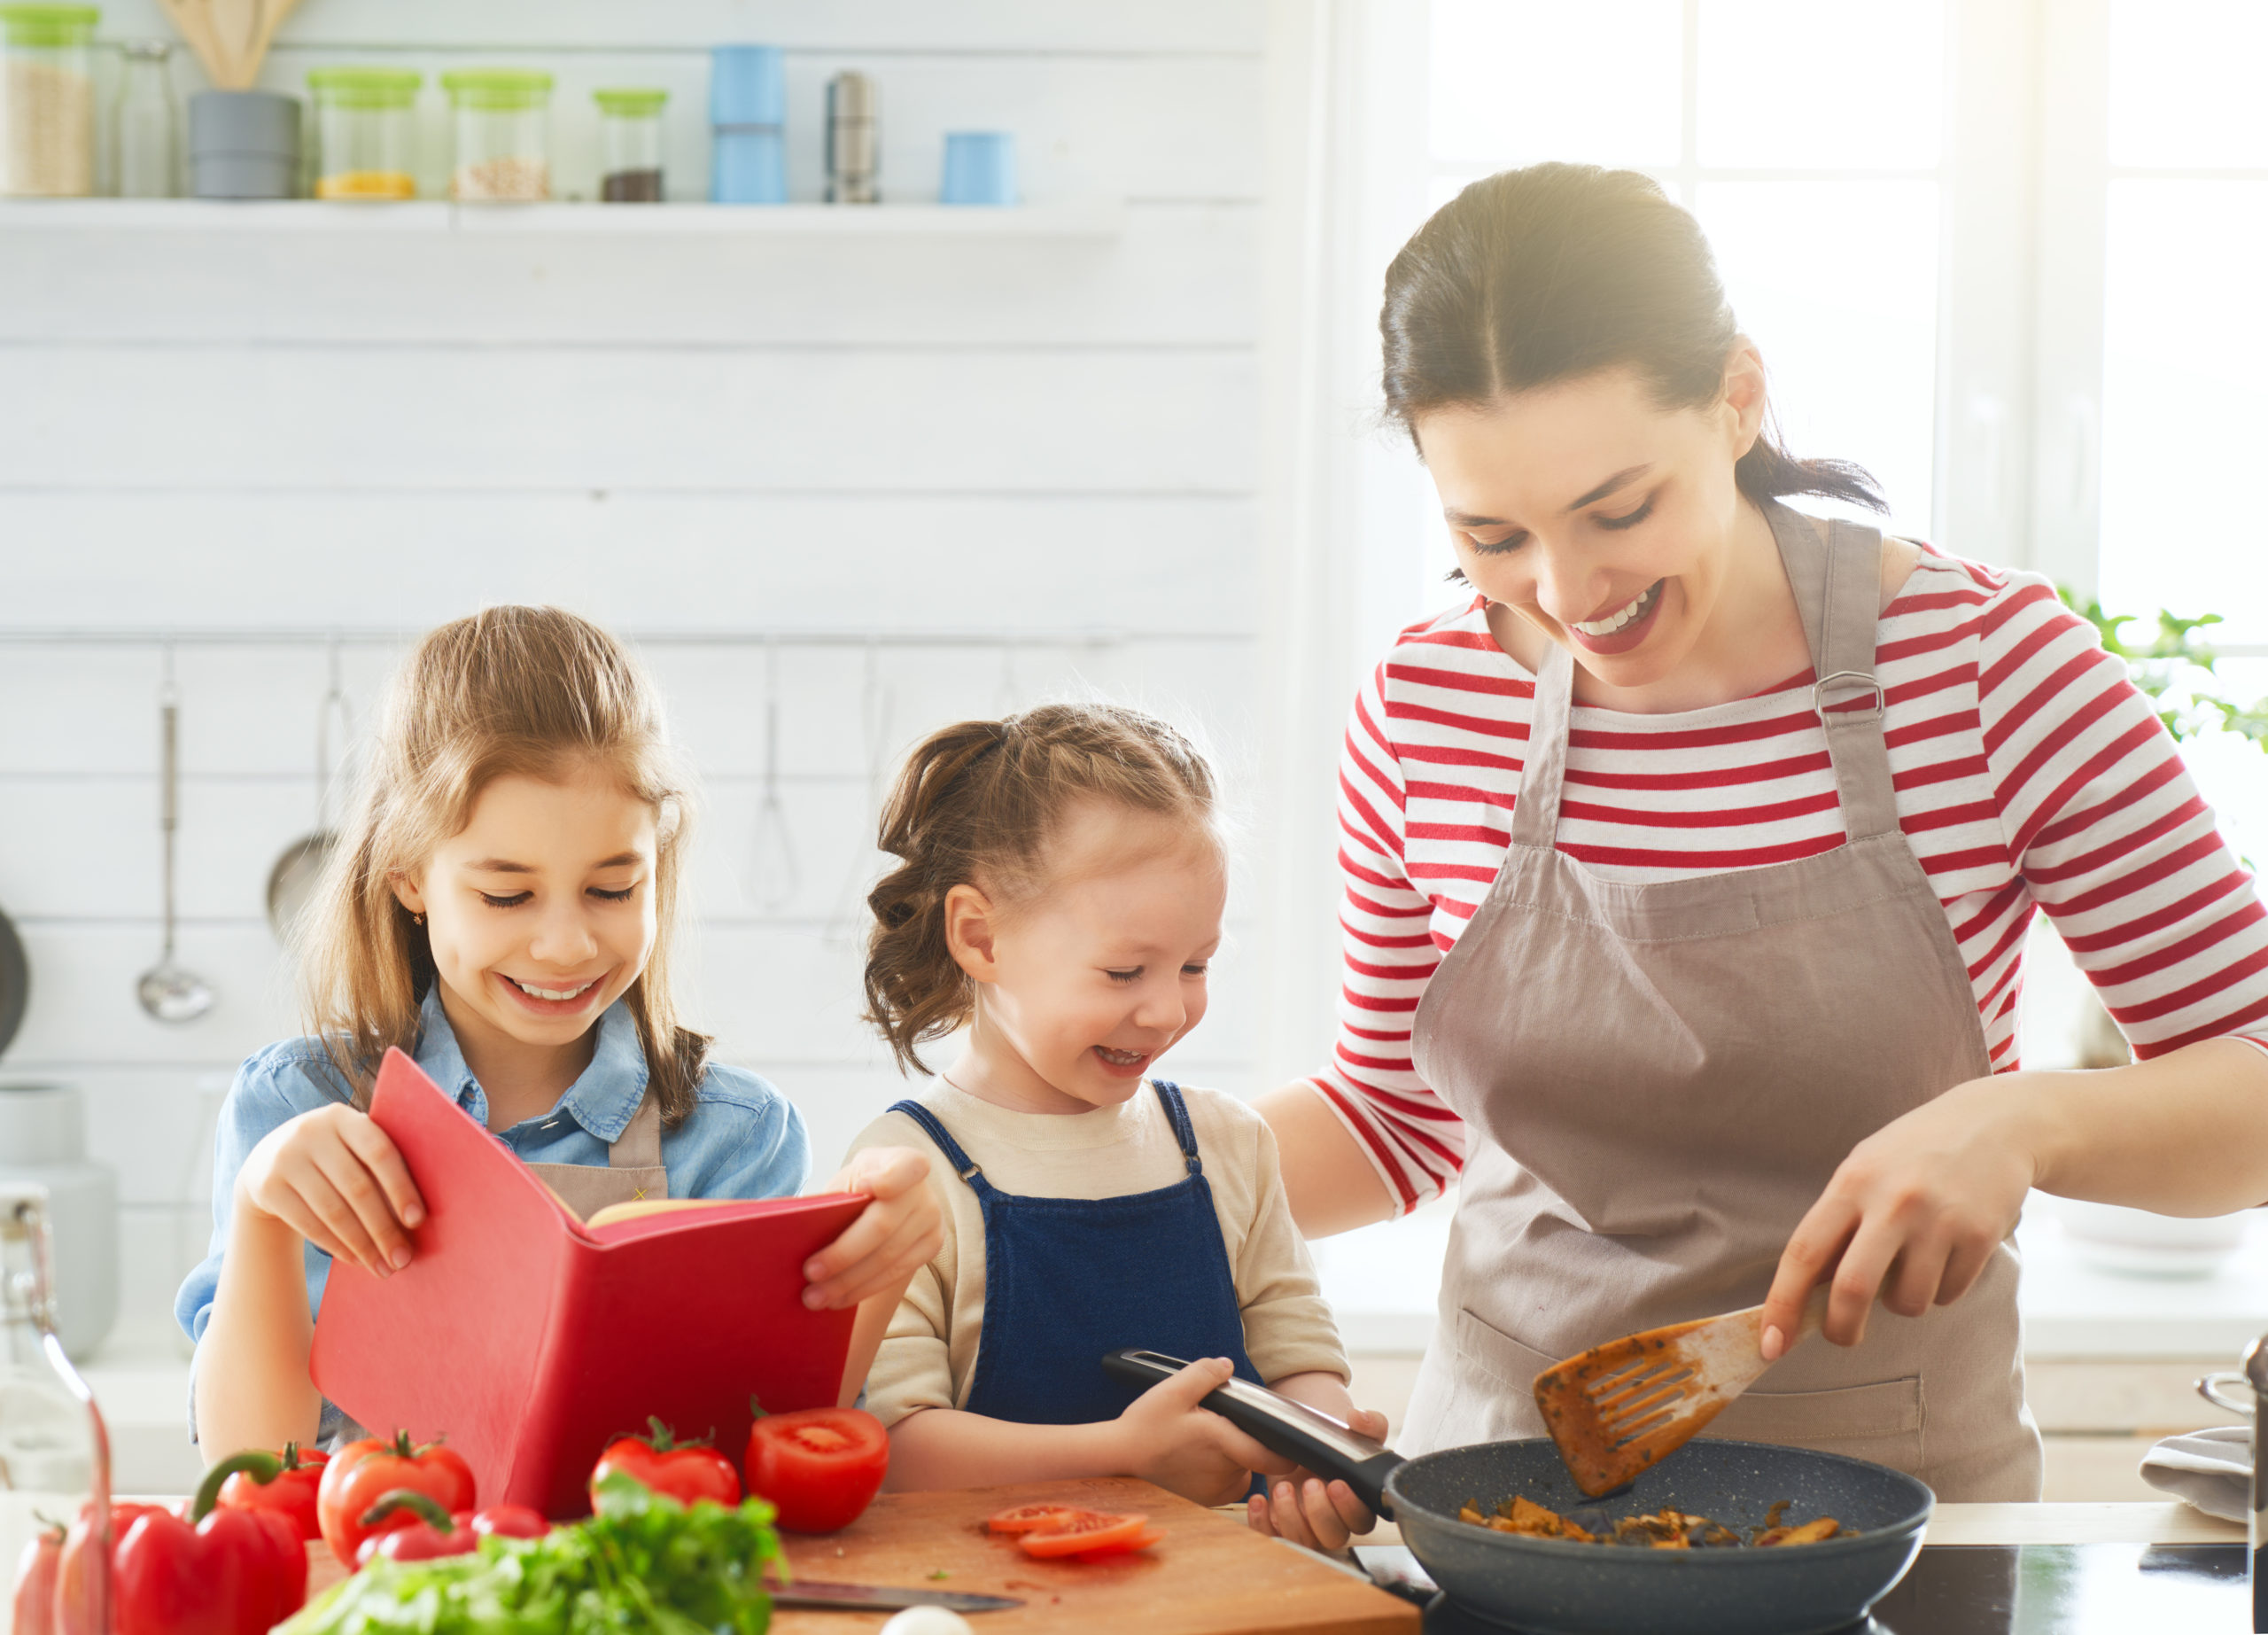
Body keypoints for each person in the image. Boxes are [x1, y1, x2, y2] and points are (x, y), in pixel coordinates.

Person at [1248, 163, 2268, 1532]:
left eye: (1619, 509)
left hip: (1899, 1533)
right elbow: (1395, 1117)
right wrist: (1063, 1188)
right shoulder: (1433, 701)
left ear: (1736, 399)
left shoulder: (1983, 667)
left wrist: (2026, 1120)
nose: (1568, 593)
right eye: (1492, 534)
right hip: (1497, 1512)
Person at [178, 606, 942, 1459]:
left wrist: (880, 1269)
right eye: (507, 895)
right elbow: (244, 1467)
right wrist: (261, 1207)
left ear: (658, 863)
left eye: (613, 889)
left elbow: (772, 1447)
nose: (566, 945)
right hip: (372, 1582)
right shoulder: (294, 1107)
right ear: (408, 875)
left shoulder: (735, 1137)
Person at [846, 703, 1386, 1541]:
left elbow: (1301, 1360)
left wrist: (1319, 1452)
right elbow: (898, 1448)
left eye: (1196, 964)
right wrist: (1123, 1454)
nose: (1168, 1009)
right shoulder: (906, 1168)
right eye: (1125, 970)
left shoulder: (1230, 1144)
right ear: (980, 937)